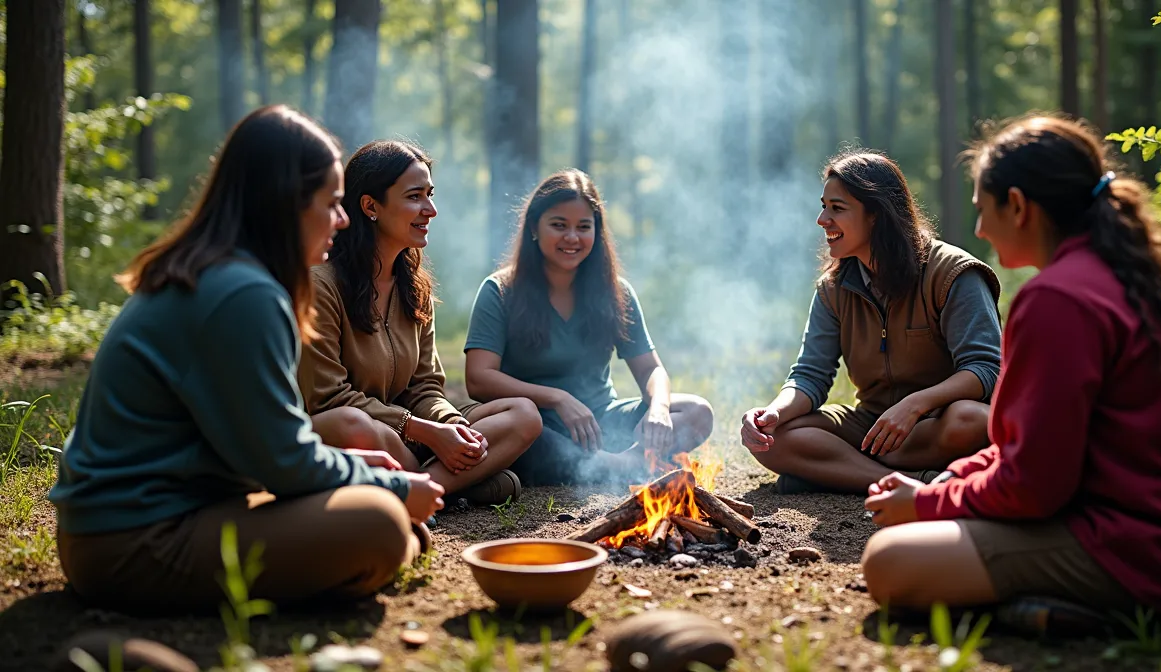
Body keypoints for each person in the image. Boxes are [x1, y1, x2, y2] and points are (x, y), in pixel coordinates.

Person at [860, 115, 1161, 627]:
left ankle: (1104, 615)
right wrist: (949, 481)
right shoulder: (1129, 272)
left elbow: (1033, 486)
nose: (980, 229)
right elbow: (1032, 448)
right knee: (935, 510)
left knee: (890, 562)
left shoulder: (1057, 300)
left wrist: (929, 503)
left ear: (1020, 207)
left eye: (983, 210)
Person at [48, 106, 444, 615]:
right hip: (132, 542)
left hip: (138, 522)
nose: (342, 221)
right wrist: (389, 486)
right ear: (285, 204)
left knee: (378, 512)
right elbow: (282, 463)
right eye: (331, 204)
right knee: (381, 526)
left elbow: (262, 447)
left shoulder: (222, 275)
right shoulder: (242, 294)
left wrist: (349, 468)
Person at [740, 150, 1003, 494]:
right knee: (774, 437)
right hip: (872, 428)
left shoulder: (953, 274)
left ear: (877, 214)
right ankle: (911, 482)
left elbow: (985, 369)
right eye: (823, 206)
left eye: (837, 208)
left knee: (973, 420)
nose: (822, 219)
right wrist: (772, 413)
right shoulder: (832, 289)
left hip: (934, 425)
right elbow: (810, 376)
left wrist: (915, 404)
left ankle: (837, 471)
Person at [296, 140, 539, 507]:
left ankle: (419, 488)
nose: (431, 210)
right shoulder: (321, 284)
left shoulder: (415, 287)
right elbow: (327, 398)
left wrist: (452, 425)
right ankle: (456, 485)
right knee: (354, 424)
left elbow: (425, 386)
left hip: (410, 435)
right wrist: (424, 431)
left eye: (430, 194)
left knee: (523, 414)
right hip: (353, 433)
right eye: (415, 197)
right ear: (370, 206)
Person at [464, 169, 715, 485]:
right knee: (527, 435)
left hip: (604, 425)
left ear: (597, 232)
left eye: (584, 227)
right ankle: (620, 467)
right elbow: (479, 378)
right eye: (559, 225)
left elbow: (651, 369)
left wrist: (659, 409)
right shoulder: (499, 291)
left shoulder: (616, 292)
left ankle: (621, 462)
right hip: (538, 428)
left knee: (697, 411)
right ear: (533, 228)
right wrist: (558, 398)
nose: (572, 237)